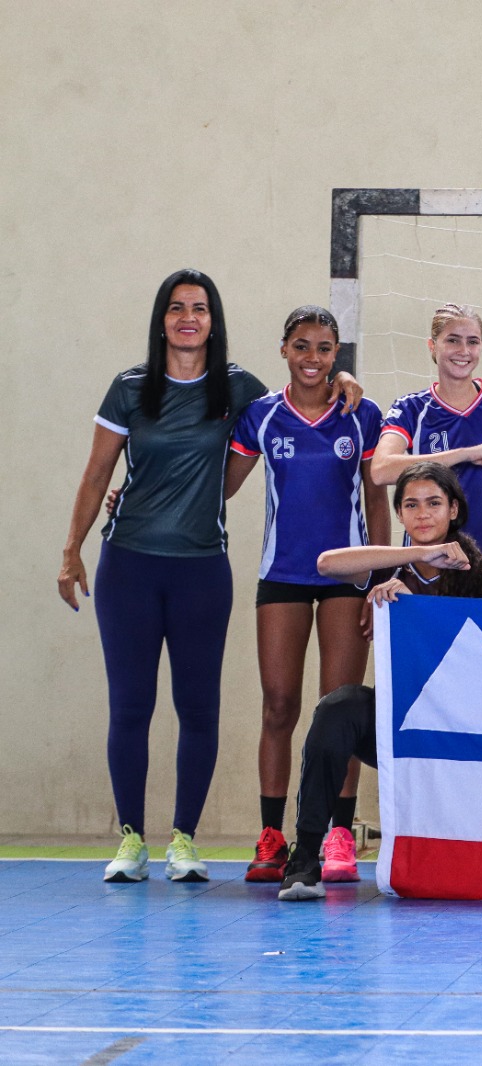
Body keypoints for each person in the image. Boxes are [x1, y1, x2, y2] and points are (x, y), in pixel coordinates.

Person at [58, 269, 362, 883]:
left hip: (201, 569)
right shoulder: (129, 387)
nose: (188, 318)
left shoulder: (238, 388)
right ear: (162, 320)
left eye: (199, 308)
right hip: (128, 565)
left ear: (213, 321)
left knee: (198, 707)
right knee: (131, 706)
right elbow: (96, 475)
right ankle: (131, 840)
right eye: (177, 308)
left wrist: (346, 379)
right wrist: (71, 551)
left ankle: (184, 841)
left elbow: (303, 391)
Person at [280, 463, 482, 900]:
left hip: (467, 729)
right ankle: (305, 856)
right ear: (399, 514)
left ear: (453, 509)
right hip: (402, 723)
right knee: (337, 707)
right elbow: (327, 564)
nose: (423, 514)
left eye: (433, 503)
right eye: (411, 505)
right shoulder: (389, 570)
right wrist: (413, 558)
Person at [226, 306, 388, 884]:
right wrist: (138, 492)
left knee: (337, 709)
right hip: (284, 574)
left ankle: (338, 836)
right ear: (284, 350)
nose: (312, 358)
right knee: (279, 705)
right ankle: (272, 836)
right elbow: (218, 486)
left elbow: (376, 499)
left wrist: (379, 574)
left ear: (336, 353)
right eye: (301, 346)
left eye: (323, 348)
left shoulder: (361, 414)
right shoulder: (262, 416)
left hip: (347, 577)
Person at [372, 304, 482, 559]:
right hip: (424, 562)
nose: (464, 351)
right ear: (432, 346)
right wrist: (465, 454)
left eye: (472, 342)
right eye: (453, 340)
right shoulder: (411, 408)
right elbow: (380, 470)